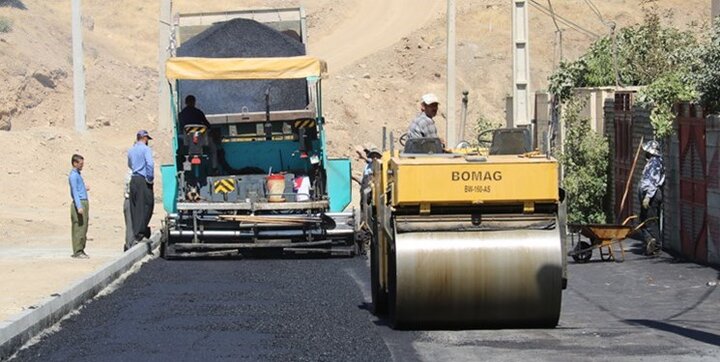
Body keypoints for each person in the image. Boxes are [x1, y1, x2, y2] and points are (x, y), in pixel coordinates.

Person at [638, 140, 665, 257]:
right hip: (650, 194)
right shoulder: (652, 162)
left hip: (652, 196)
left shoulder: (655, 163)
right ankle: (651, 243)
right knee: (645, 220)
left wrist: (648, 197)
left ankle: (655, 245)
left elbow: (653, 182)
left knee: (650, 221)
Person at [128, 130, 155, 243]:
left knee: (135, 207)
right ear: (144, 138)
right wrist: (149, 178)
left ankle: (137, 232)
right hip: (142, 180)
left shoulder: (131, 150)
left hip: (133, 179)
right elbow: (150, 164)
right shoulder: (146, 149)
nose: (147, 141)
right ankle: (140, 234)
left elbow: (129, 164)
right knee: (147, 205)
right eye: (147, 139)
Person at [179, 94, 219, 171]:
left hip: (187, 142)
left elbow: (181, 127)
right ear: (194, 102)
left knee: (180, 149)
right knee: (213, 150)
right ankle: (214, 168)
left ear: (185, 102)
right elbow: (208, 126)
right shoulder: (198, 112)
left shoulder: (181, 114)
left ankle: (181, 168)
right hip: (202, 141)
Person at [69, 154, 90, 259]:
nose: (82, 165)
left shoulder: (78, 175)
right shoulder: (73, 176)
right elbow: (75, 192)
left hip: (83, 202)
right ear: (75, 163)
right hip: (80, 203)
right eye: (80, 164)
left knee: (84, 227)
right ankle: (77, 251)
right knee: (79, 228)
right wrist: (79, 206)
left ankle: (81, 249)